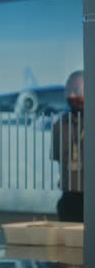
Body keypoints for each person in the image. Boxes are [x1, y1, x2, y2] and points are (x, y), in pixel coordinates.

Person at [52, 70, 84, 222]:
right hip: (69, 200)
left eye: (76, 91)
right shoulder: (60, 125)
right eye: (68, 91)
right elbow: (59, 159)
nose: (71, 96)